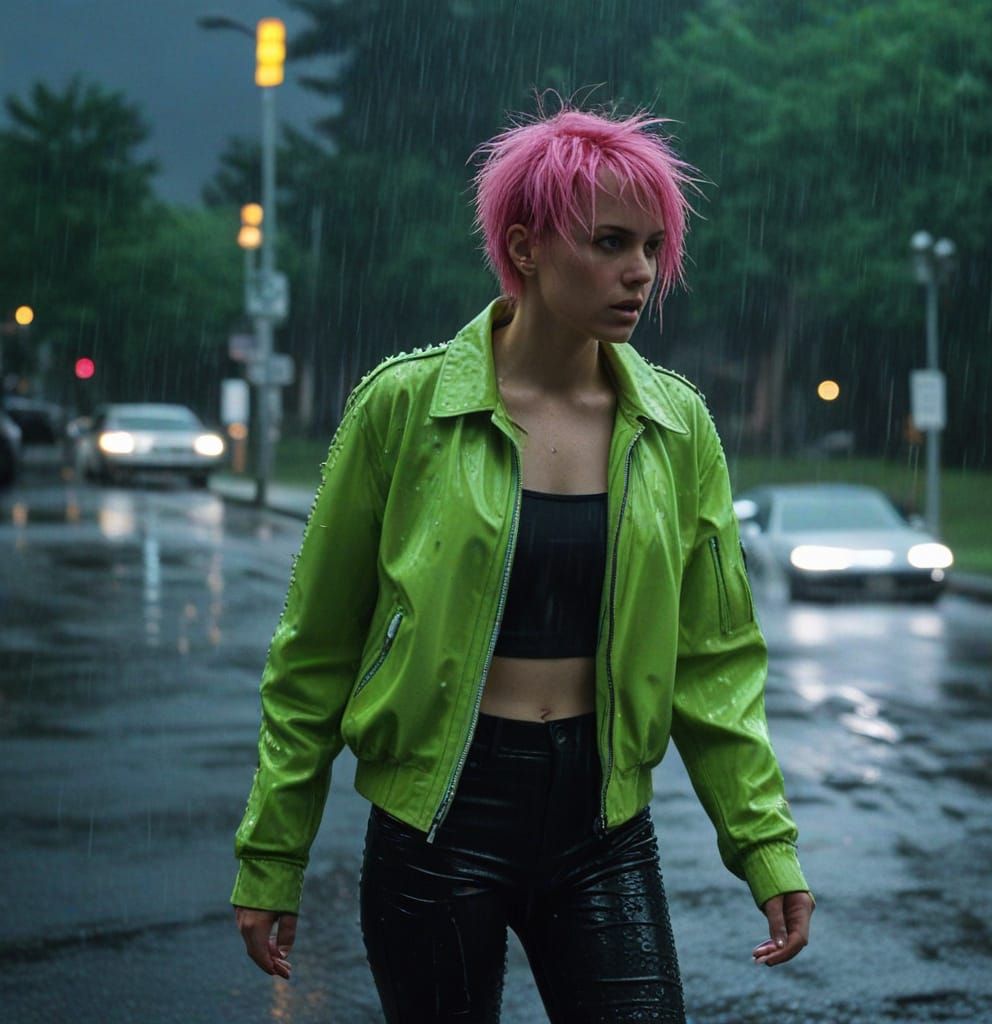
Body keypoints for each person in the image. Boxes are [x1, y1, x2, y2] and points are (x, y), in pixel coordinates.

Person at [232, 101, 813, 1022]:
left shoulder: (676, 426)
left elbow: (714, 659)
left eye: (652, 246)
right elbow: (316, 650)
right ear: (526, 247)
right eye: (610, 241)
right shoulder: (405, 408)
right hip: (435, 823)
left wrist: (764, 844)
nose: (641, 271)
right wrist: (273, 854)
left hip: (600, 825)